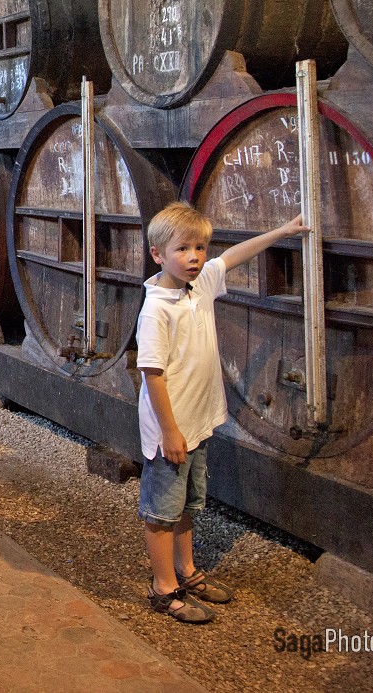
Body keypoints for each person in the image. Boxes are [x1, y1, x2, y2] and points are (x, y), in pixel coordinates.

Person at [136, 201, 307, 622]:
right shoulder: (157, 309)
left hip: (197, 423)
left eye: (199, 248)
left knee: (188, 505)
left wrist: (283, 230)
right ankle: (162, 588)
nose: (194, 257)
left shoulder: (198, 285)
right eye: (182, 249)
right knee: (161, 512)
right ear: (157, 254)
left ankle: (187, 570)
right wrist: (170, 431)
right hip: (171, 431)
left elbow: (232, 256)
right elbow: (152, 375)